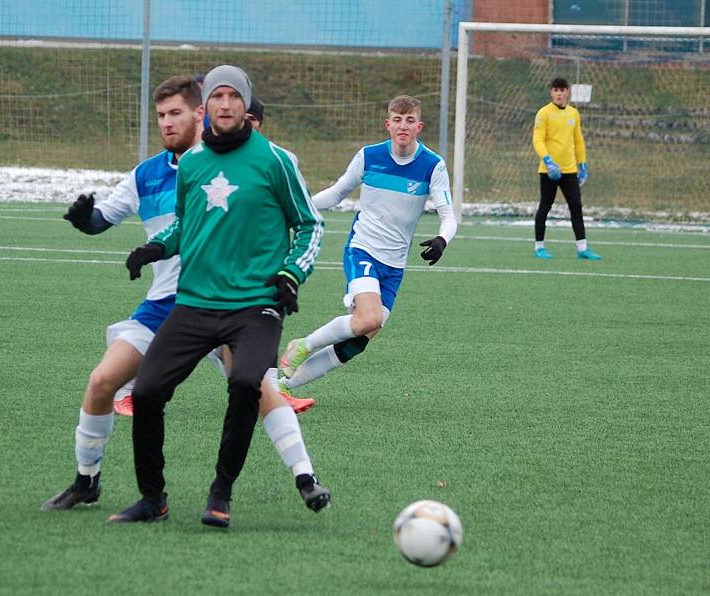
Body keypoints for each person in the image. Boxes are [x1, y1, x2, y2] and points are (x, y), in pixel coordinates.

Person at [41, 75, 317, 514]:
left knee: (256, 387)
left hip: (229, 299)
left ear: (199, 113)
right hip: (168, 305)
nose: (168, 124)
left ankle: (304, 476)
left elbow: (302, 222)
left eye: (176, 114)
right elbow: (106, 219)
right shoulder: (147, 174)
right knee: (103, 382)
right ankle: (87, 481)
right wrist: (84, 219)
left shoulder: (242, 162)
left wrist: (287, 273)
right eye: (161, 116)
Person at [277, 95, 457, 402]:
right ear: (388, 124)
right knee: (370, 318)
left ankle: (283, 388)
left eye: (410, 120)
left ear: (419, 126)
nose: (403, 126)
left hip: (395, 265)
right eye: (397, 120)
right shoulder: (369, 156)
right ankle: (303, 345)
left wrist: (442, 239)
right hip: (362, 249)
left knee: (361, 337)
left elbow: (448, 215)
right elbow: (336, 193)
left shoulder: (432, 165)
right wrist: (297, 210)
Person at [532, 77, 601, 260]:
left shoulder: (573, 114)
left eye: (562, 90)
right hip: (549, 170)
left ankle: (582, 248)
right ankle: (539, 247)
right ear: (551, 92)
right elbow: (538, 139)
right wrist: (547, 160)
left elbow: (578, 140)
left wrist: (583, 164)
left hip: (570, 170)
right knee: (545, 206)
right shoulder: (543, 113)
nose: (559, 94)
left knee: (576, 206)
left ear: (568, 92)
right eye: (556, 90)